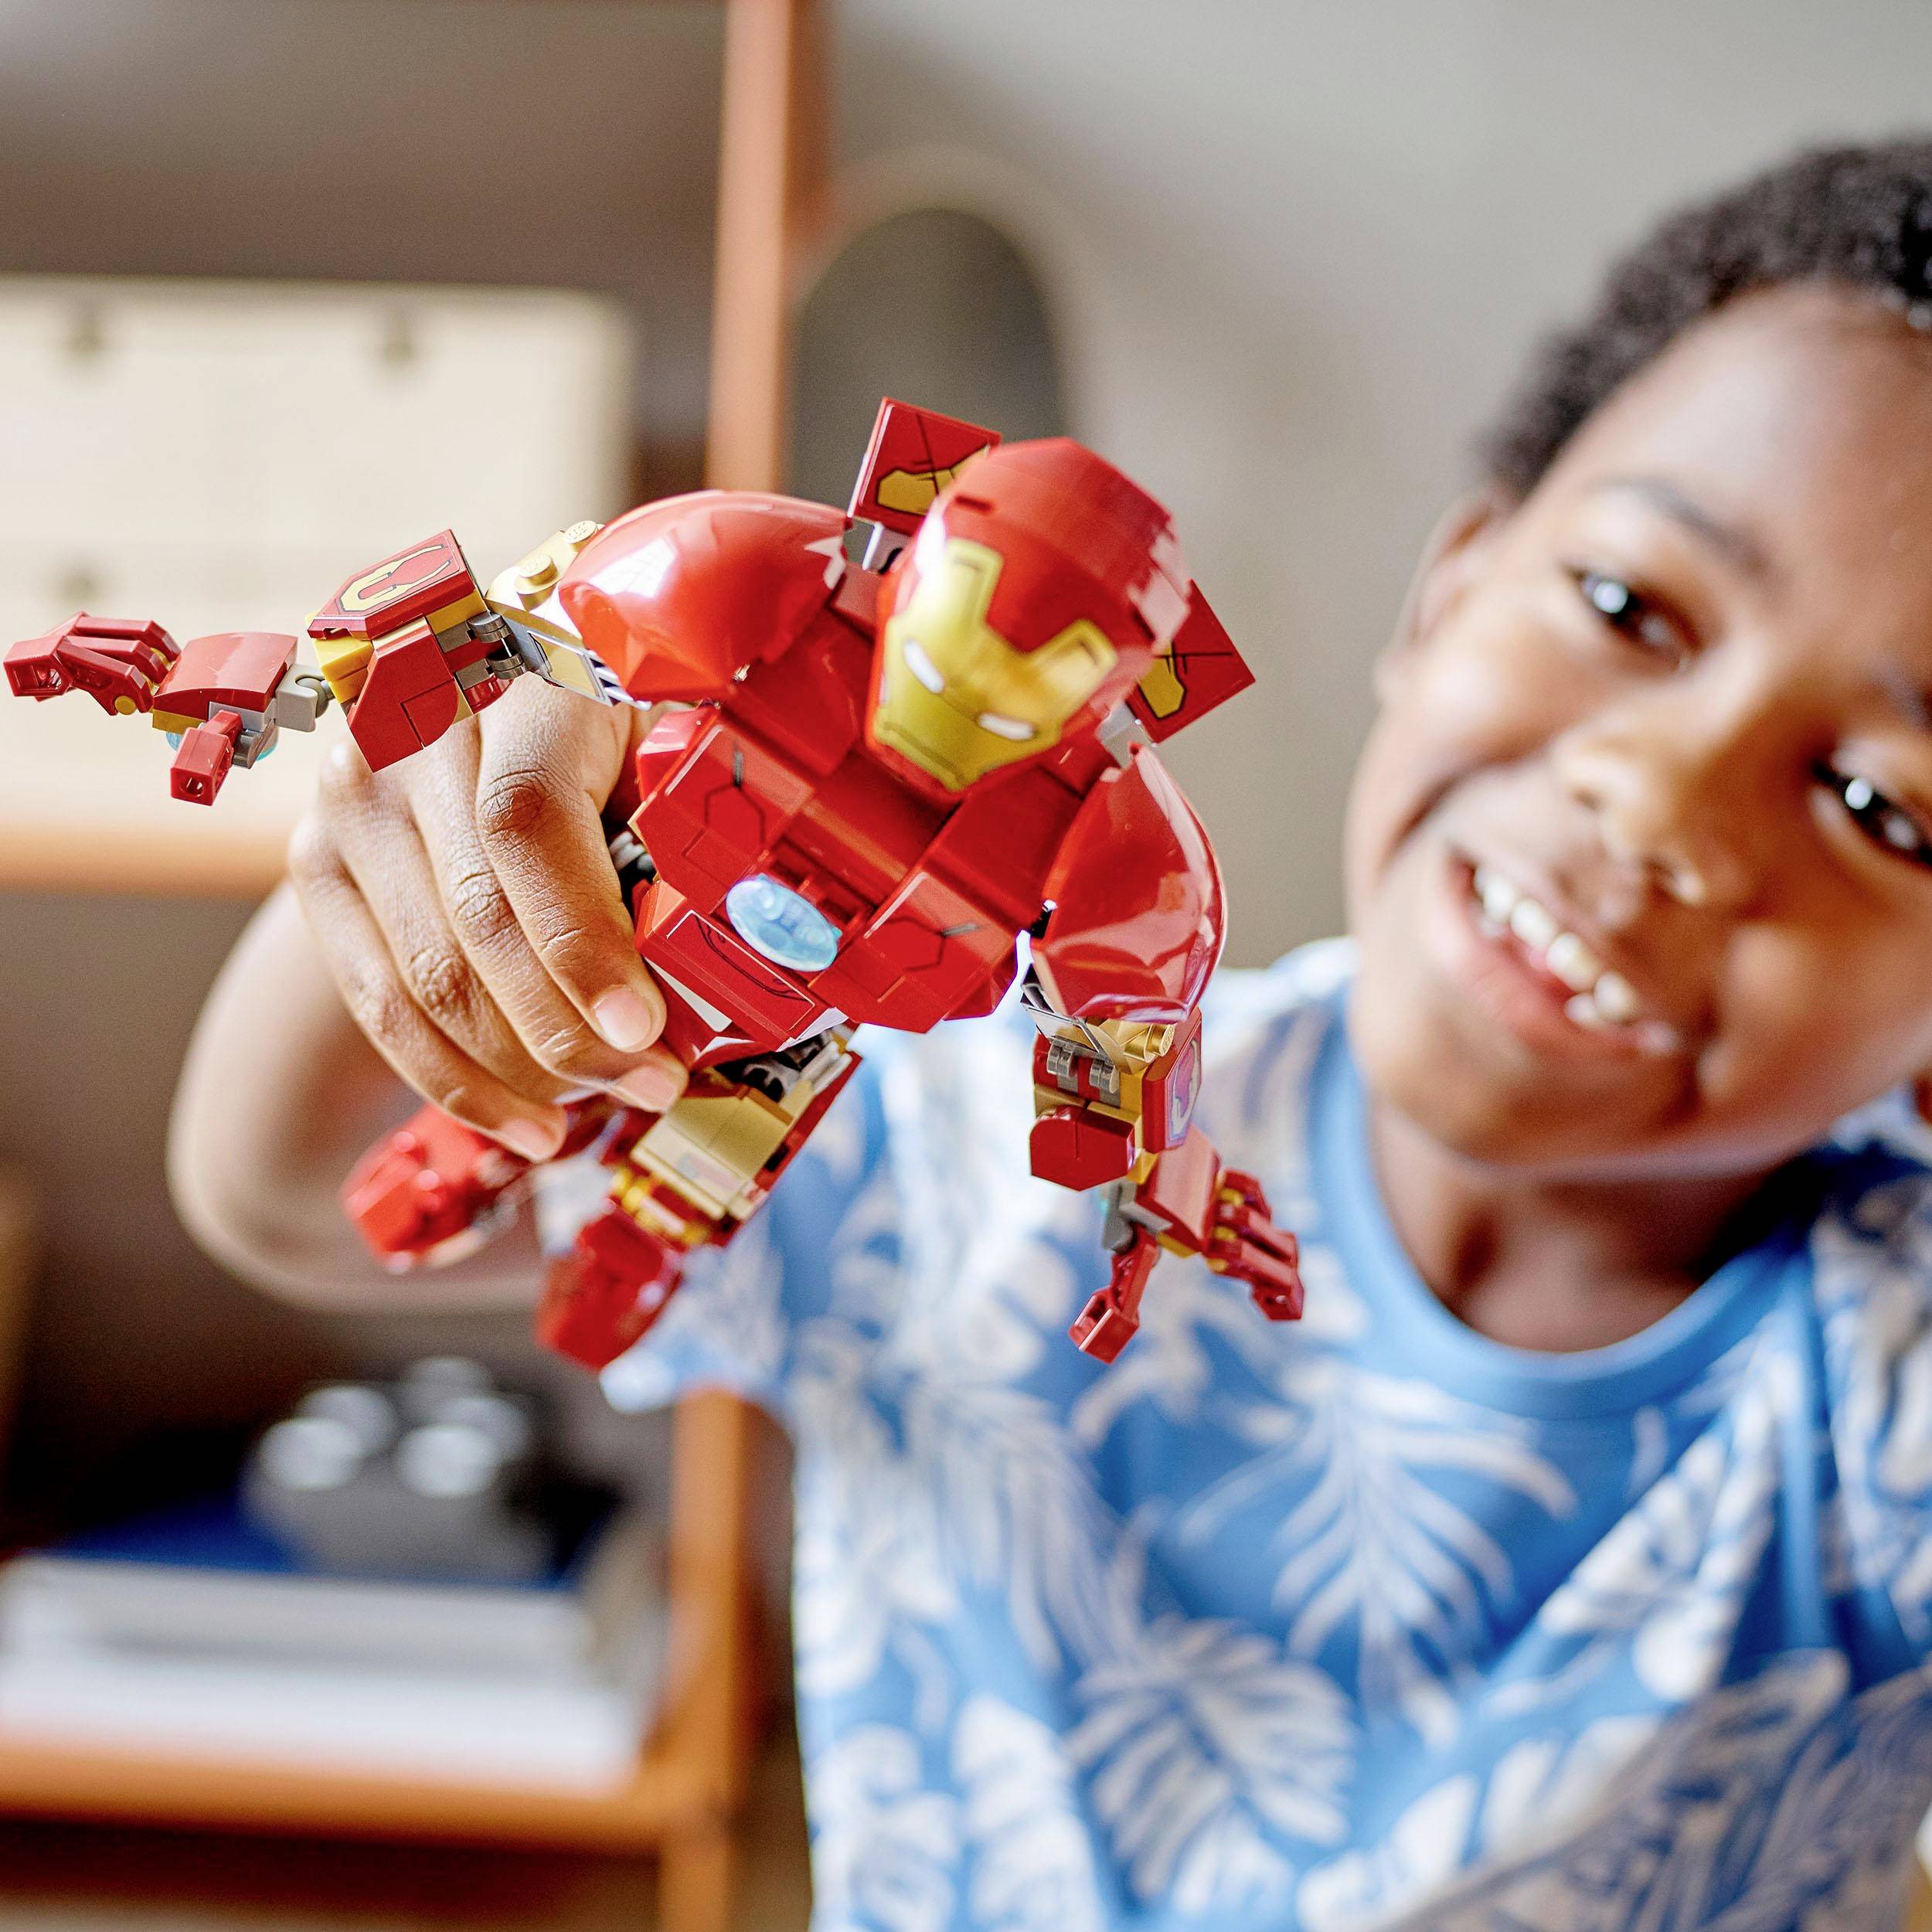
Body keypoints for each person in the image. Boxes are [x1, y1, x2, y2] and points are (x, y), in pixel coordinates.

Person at [172, 138, 1932, 1928]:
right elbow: (288, 1186)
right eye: (1628, 607)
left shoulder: (1881, 1387)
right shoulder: (934, 1140)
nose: (1659, 803)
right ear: (1450, 586)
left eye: (1882, 804)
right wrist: (468, 837)